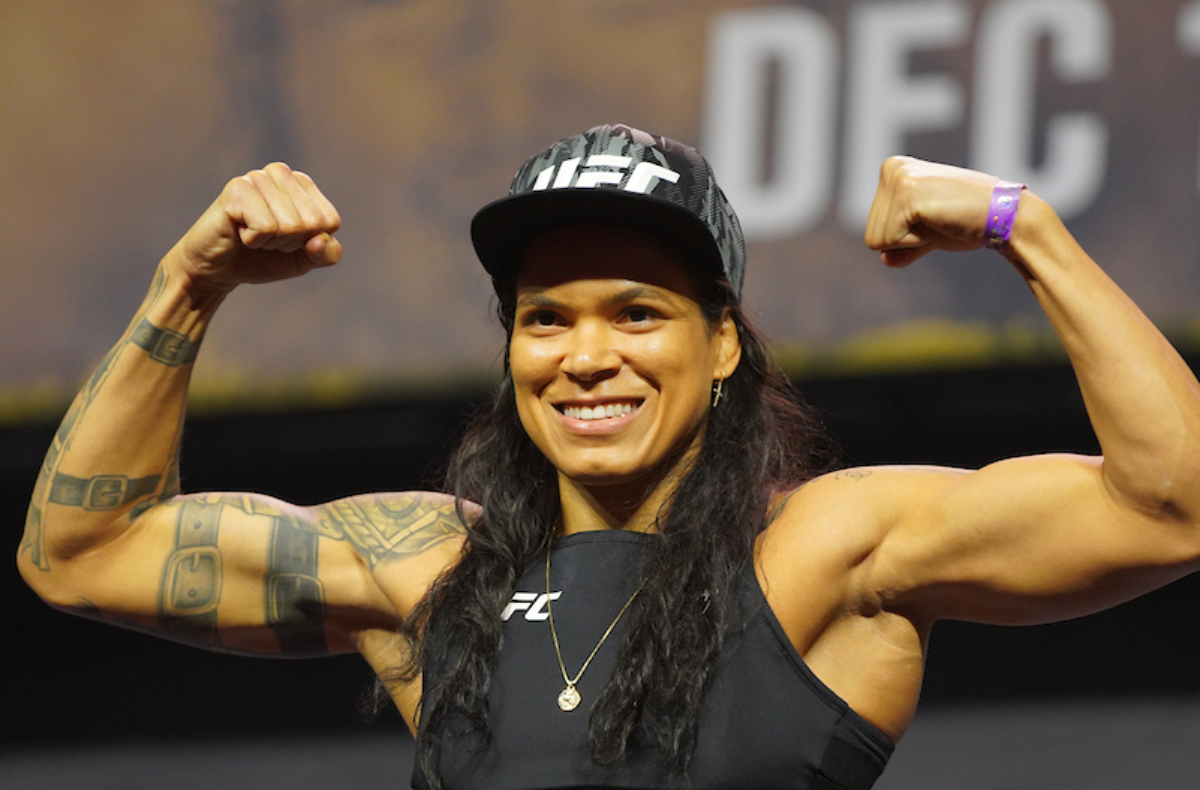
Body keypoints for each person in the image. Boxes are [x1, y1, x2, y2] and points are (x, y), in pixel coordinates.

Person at [18, 122, 1200, 790]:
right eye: (546, 318)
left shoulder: (823, 554)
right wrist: (191, 282)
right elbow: (81, 551)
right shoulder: (427, 567)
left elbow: (1172, 505)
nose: (586, 356)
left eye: (637, 312)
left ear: (723, 342)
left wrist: (1024, 227)